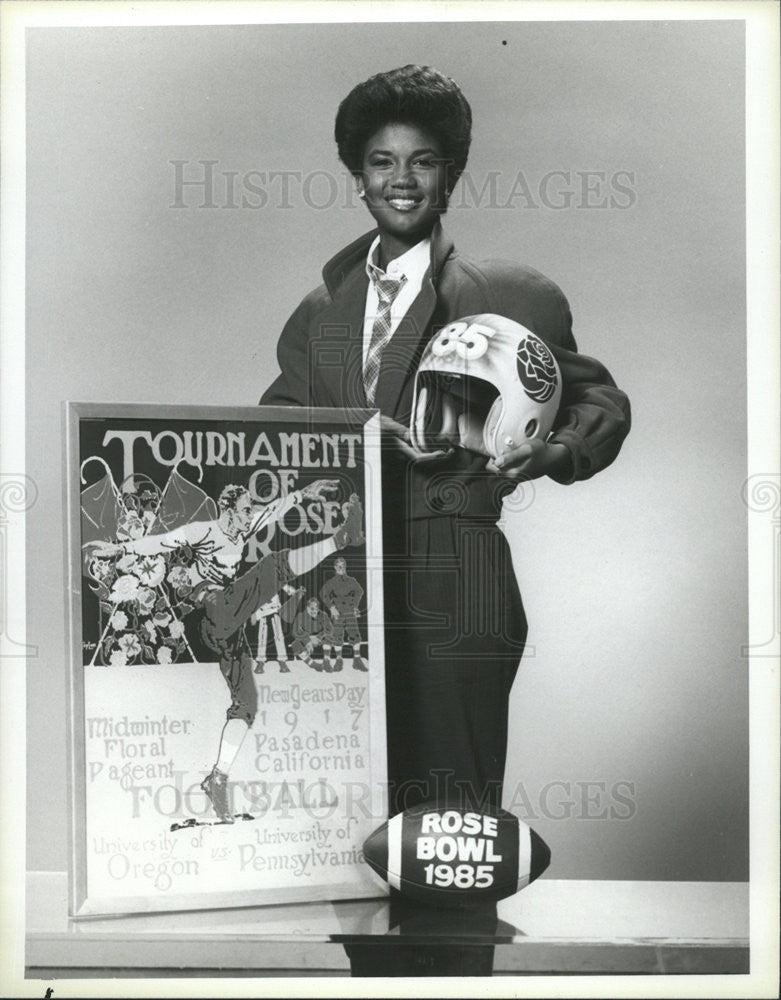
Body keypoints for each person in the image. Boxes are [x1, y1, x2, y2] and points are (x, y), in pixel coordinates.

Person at [260, 65, 631, 975]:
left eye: (422, 162)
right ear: (355, 172)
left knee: (448, 819)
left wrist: (550, 453)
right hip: (336, 573)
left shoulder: (510, 292)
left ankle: (453, 986)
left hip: (452, 556)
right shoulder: (320, 313)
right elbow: (268, 436)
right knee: (348, 820)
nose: (400, 179)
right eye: (381, 160)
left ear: (449, 174)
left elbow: (600, 402)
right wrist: (358, 437)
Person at [85, 481, 365, 821]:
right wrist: (122, 550)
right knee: (271, 567)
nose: (250, 516)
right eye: (245, 510)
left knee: (247, 704)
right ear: (228, 510)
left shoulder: (244, 527)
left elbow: (274, 510)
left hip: (229, 627)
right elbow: (160, 542)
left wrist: (306, 493)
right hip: (211, 616)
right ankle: (340, 540)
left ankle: (217, 779)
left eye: (250, 510)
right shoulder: (202, 531)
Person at [320, 556, 366, 671]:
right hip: (338, 613)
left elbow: (360, 591)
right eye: (338, 566)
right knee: (337, 635)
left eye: (343, 565)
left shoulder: (352, 580)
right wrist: (331, 607)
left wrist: (355, 605)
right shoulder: (332, 582)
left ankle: (357, 660)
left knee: (355, 634)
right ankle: (339, 660)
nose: (341, 568)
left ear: (345, 567)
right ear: (335, 567)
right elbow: (323, 593)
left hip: (350, 610)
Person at [290, 596, 334, 670]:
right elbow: (295, 632)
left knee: (328, 637)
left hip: (318, 639)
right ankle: (313, 665)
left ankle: (326, 662)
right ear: (307, 608)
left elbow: (329, 629)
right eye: (312, 609)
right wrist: (307, 640)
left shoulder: (323, 615)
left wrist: (318, 636)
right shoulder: (301, 616)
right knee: (295, 645)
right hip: (306, 639)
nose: (314, 611)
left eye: (316, 609)